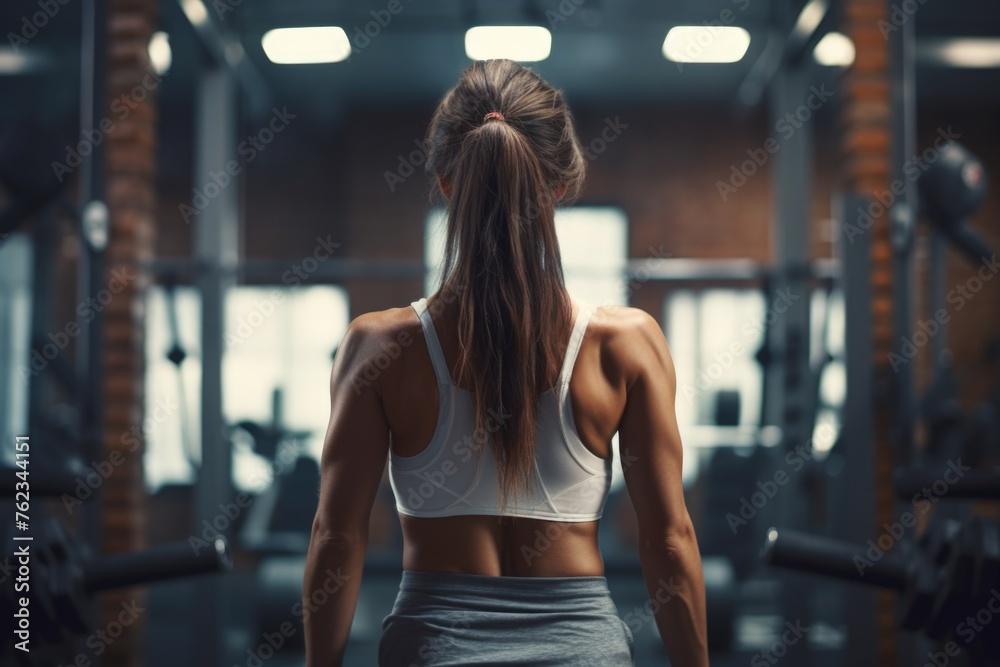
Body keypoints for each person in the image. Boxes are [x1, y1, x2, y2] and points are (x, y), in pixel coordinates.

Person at [303, 58, 708, 667]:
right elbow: (668, 540)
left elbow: (336, 537)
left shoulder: (378, 347)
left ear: (446, 183)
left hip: (432, 648)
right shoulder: (627, 344)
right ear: (560, 185)